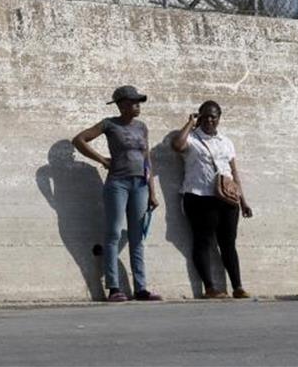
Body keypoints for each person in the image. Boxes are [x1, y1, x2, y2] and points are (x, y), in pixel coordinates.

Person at [72, 85, 162, 302]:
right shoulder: (109, 124)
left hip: (140, 184)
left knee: (136, 237)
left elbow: (147, 159)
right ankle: (113, 288)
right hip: (117, 184)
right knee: (113, 233)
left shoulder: (142, 127)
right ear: (121, 104)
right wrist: (102, 160)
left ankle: (141, 288)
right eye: (133, 102)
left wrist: (152, 191)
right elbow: (79, 140)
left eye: (138, 101)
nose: (137, 105)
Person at [171, 100, 253, 299]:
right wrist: (190, 123)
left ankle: (237, 286)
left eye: (213, 117)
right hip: (199, 197)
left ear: (219, 118)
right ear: (199, 116)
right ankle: (209, 288)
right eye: (205, 116)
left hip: (227, 198)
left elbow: (233, 171)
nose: (209, 120)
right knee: (203, 241)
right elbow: (177, 145)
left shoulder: (226, 141)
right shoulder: (191, 138)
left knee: (228, 243)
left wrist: (243, 200)